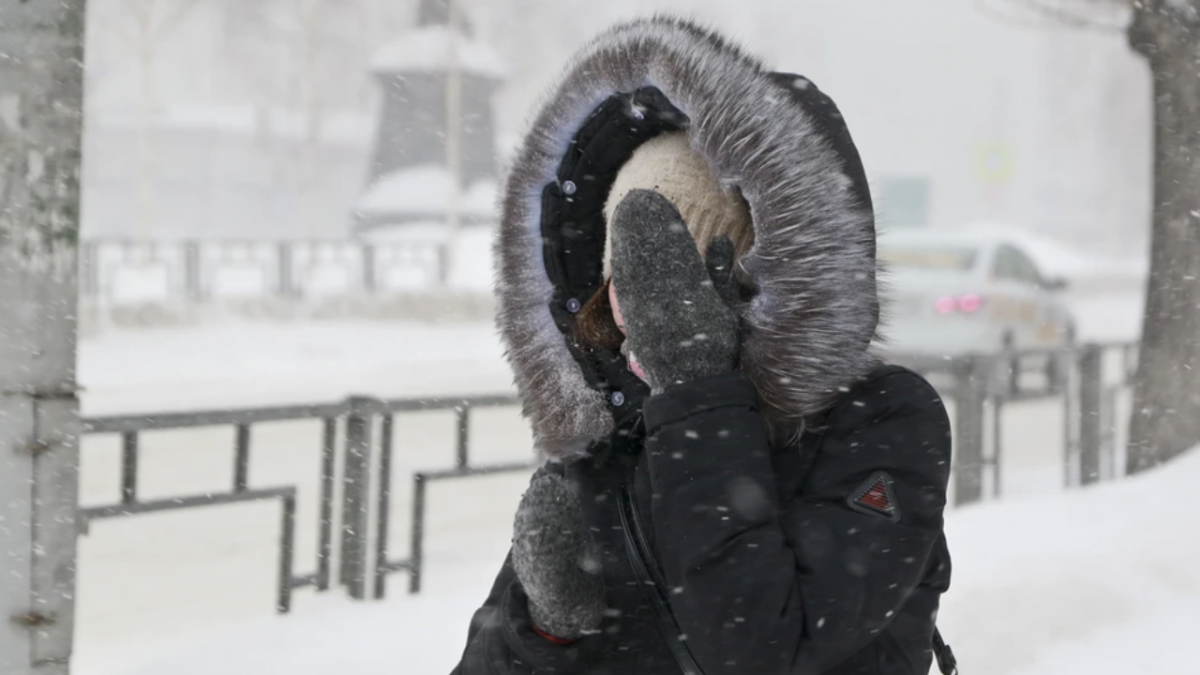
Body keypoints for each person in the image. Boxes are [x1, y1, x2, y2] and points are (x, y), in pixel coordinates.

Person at [451, 16, 956, 675]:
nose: (641, 301)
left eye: (671, 269)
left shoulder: (881, 420)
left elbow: (762, 649)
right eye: (623, 275)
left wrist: (695, 388)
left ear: (752, 270)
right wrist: (540, 633)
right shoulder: (611, 436)